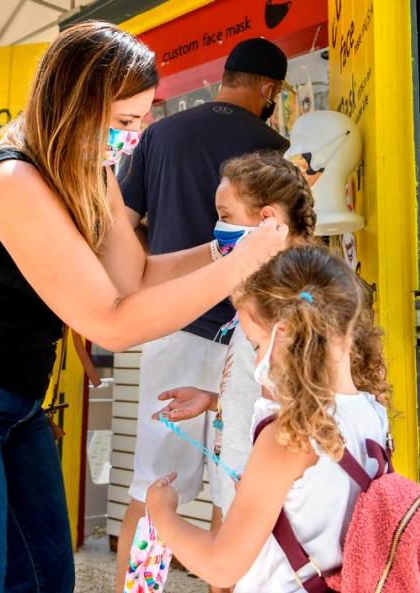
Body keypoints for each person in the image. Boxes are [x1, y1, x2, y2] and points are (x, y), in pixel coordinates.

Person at [0, 23, 286, 593]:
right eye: (125, 123)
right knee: (152, 492)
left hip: (22, 395)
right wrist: (239, 265)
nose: (133, 138)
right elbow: (112, 314)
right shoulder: (13, 176)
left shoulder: (96, 167)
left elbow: (130, 277)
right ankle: (138, 589)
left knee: (62, 565)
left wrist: (223, 247)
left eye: (139, 122)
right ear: (77, 105)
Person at [115, 36, 291, 590]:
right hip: (256, 330)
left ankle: (140, 589)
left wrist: (142, 277)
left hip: (174, 323)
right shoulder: (274, 146)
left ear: (225, 76)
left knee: (154, 484)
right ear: (269, 89)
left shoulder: (159, 135)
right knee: (236, 483)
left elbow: (120, 226)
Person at [146, 246, 390, 592]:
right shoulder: (371, 412)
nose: (257, 357)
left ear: (286, 333)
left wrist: (163, 514)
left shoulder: (287, 437)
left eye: (256, 344)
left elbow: (221, 566)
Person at [148, 151, 318, 525]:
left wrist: (165, 519)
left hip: (267, 513)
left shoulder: (287, 311)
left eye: (225, 217)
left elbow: (293, 417)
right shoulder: (262, 300)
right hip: (245, 500)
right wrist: (213, 400)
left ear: (267, 220)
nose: (216, 227)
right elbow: (264, 397)